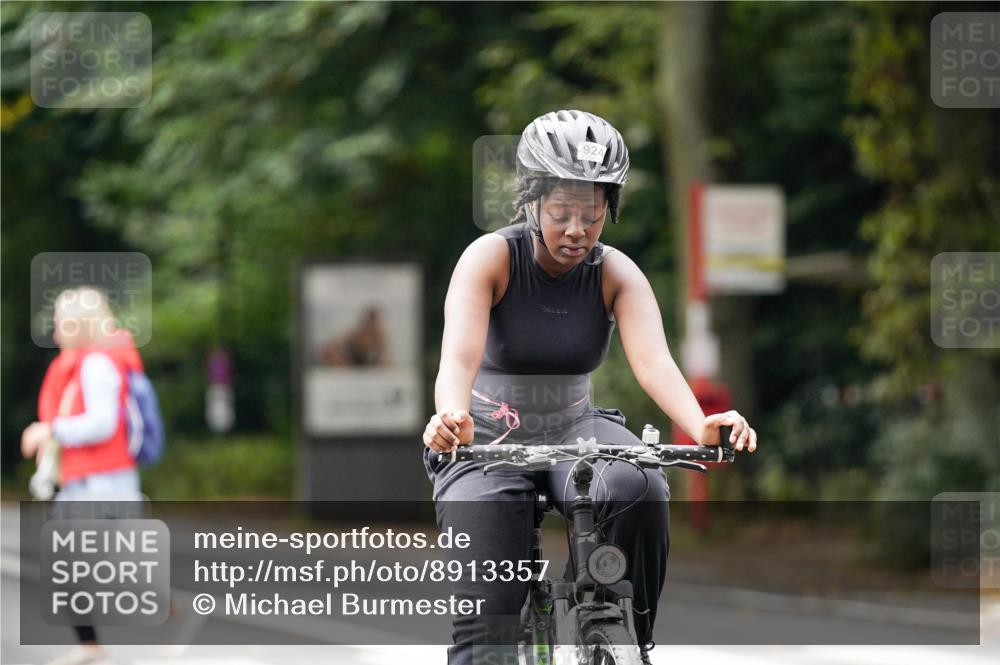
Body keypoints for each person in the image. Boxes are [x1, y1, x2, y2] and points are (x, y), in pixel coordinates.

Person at [422, 110, 757, 665]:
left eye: (592, 215)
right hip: (483, 436)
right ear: (530, 202)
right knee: (487, 633)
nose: (577, 230)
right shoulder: (490, 259)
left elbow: (653, 361)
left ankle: (624, 631)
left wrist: (700, 423)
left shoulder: (615, 272)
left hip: (576, 425)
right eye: (561, 213)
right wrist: (450, 417)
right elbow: (457, 358)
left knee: (639, 484)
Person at [21, 286, 146, 665]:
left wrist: (50, 431)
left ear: (78, 326)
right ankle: (92, 644)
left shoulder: (96, 364)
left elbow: (103, 424)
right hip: (92, 482)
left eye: (60, 324)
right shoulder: (86, 362)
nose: (56, 332)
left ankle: (95, 643)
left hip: (102, 483)